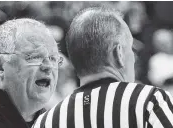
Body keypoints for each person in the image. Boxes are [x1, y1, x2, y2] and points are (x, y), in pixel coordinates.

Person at [32, 7, 173, 128]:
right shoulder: (150, 101)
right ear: (118, 53)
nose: (134, 58)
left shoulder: (46, 121)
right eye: (130, 48)